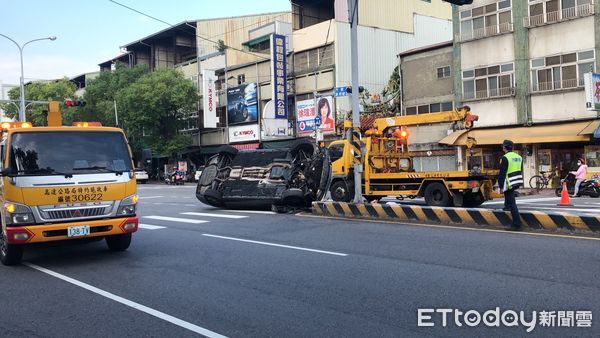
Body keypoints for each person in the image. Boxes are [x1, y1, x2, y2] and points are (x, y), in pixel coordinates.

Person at [497, 139, 523, 231]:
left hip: (509, 182)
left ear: (504, 147)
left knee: (512, 204)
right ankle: (506, 206)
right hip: (517, 181)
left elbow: (502, 173)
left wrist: (500, 186)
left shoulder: (505, 158)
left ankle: (516, 224)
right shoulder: (519, 157)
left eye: (503, 146)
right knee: (509, 200)